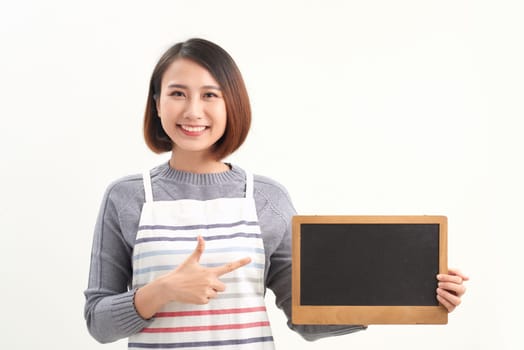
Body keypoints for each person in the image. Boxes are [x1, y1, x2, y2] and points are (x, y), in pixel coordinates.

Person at [84, 38, 468, 349]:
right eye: (178, 93)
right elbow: (98, 322)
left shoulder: (265, 197)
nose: (193, 110)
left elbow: (305, 316)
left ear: (232, 103)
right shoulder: (128, 197)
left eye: (210, 95)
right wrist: (162, 290)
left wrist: (407, 292)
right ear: (157, 103)